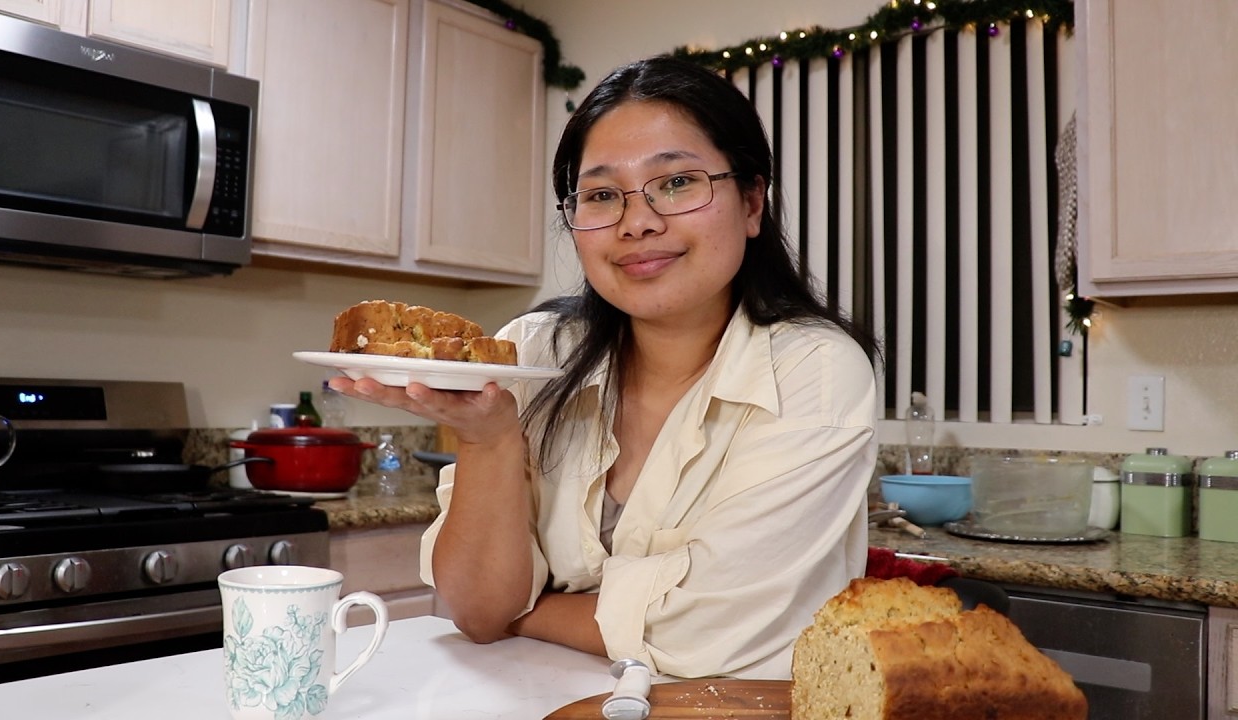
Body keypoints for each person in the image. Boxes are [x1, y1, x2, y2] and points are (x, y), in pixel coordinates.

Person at [329, 55, 880, 679]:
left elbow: (713, 630)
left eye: (677, 182)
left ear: (752, 202)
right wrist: (487, 440)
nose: (637, 222)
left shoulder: (814, 370)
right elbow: (478, 610)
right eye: (600, 195)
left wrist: (523, 612)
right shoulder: (534, 353)